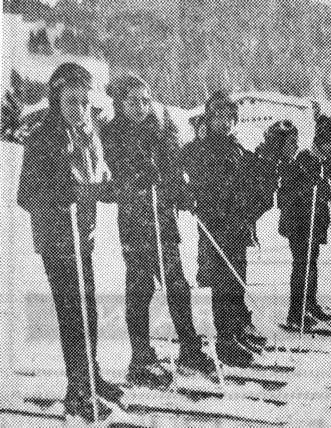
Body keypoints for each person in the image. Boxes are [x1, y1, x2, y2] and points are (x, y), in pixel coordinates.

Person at [17, 62, 122, 423]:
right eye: (70, 101)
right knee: (73, 314)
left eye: (83, 101)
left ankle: (90, 375)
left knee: (88, 310)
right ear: (56, 99)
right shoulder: (42, 138)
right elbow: (25, 194)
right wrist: (64, 194)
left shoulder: (89, 134)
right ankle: (77, 391)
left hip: (84, 236)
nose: (78, 109)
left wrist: (113, 188)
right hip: (57, 237)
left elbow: (99, 178)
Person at [101, 74, 216, 387]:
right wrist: (133, 181)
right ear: (119, 103)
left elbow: (174, 171)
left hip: (162, 220)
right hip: (135, 224)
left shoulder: (160, 130)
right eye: (132, 100)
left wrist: (181, 190)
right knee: (140, 288)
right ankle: (140, 356)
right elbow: (108, 183)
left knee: (177, 283)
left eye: (144, 100)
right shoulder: (111, 134)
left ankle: (189, 349)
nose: (140, 106)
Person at [180, 91, 288, 367]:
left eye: (229, 118)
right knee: (223, 283)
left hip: (236, 224)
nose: (225, 123)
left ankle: (237, 331)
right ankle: (225, 340)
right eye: (219, 117)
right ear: (209, 118)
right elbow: (186, 169)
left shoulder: (234, 145)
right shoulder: (201, 147)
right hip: (216, 224)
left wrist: (266, 164)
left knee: (237, 279)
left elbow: (249, 169)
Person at [277, 115, 331, 330]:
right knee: (302, 265)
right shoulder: (301, 161)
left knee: (311, 263)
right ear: (320, 141)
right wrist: (312, 190)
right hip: (298, 223)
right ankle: (296, 313)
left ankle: (309, 305)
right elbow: (285, 195)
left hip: (317, 221)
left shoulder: (330, 163)